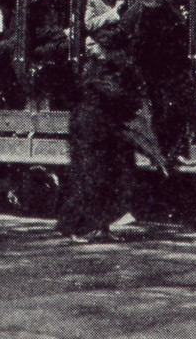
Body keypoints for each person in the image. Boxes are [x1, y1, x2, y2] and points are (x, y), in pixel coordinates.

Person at [56, 21, 142, 243]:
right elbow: (116, 94)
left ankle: (102, 226)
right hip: (90, 131)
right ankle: (77, 227)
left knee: (112, 179)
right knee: (91, 178)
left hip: (107, 131)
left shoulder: (111, 68)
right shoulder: (96, 69)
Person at [127, 0, 196, 166]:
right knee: (155, 110)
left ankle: (173, 152)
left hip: (168, 68)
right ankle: (159, 154)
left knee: (173, 108)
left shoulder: (169, 12)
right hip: (145, 69)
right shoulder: (136, 12)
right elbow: (124, 38)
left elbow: (180, 37)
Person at [28, 0, 74, 110]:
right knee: (67, 49)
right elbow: (37, 31)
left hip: (54, 45)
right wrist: (62, 33)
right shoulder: (36, 3)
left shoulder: (58, 2)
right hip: (39, 47)